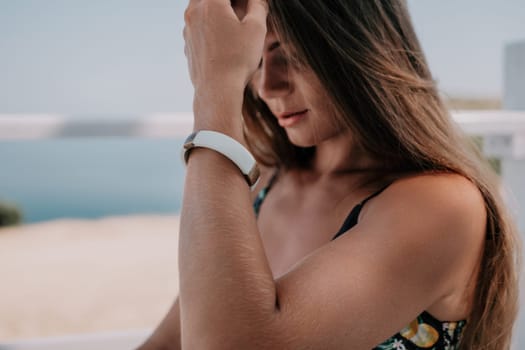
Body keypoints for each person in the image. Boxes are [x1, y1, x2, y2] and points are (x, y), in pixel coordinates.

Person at [138, 0, 520, 349]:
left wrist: (215, 93)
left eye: (290, 53)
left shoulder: (441, 205)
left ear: (362, 46)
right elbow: (171, 341)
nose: (267, 86)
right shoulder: (269, 180)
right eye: (253, 59)